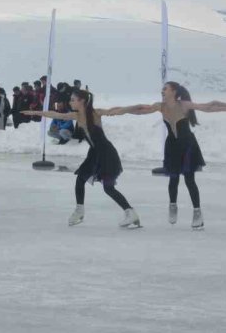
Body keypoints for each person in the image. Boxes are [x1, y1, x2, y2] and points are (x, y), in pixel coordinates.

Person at [107, 82, 226, 230]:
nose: (162, 91)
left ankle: (197, 213)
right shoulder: (161, 106)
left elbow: (207, 107)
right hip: (172, 146)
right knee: (173, 178)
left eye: (165, 89)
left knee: (189, 179)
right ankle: (173, 205)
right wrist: (121, 110)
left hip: (187, 146)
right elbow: (141, 110)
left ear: (174, 92)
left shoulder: (184, 105)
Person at [24, 89, 141, 228]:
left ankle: (130, 212)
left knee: (108, 188)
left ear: (82, 101)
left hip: (106, 153)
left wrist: (135, 107)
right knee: (80, 179)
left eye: (73, 100)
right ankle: (79, 211)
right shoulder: (76, 115)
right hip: (94, 153)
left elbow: (116, 110)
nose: (70, 102)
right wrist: (36, 112)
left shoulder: (95, 113)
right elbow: (56, 114)